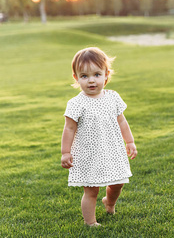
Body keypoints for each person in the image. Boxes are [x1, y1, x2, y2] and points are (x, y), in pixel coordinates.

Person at [61, 47, 138, 226]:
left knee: (118, 183)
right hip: (89, 154)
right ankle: (91, 222)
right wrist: (65, 152)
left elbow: (122, 122)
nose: (91, 80)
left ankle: (109, 203)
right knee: (91, 190)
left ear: (106, 75)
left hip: (112, 149)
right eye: (84, 76)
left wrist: (130, 141)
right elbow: (69, 129)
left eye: (96, 74)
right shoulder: (76, 103)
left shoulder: (113, 97)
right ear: (76, 78)